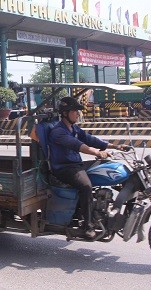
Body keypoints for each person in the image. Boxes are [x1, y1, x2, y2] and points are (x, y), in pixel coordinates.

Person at [48, 96, 129, 238]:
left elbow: (90, 139)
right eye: (74, 111)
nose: (78, 114)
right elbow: (78, 145)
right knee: (86, 186)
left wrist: (115, 146)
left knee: (108, 168)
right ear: (65, 113)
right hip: (63, 168)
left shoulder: (73, 128)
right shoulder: (58, 131)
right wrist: (97, 152)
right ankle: (87, 226)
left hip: (76, 164)